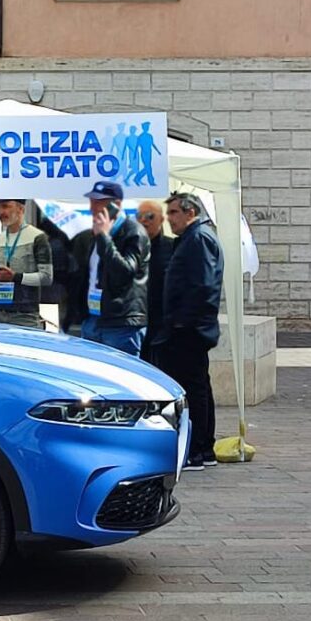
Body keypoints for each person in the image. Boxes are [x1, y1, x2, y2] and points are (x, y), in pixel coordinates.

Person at [160, 192, 224, 471]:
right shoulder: (191, 239)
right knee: (197, 387)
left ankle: (198, 450)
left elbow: (204, 287)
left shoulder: (199, 239)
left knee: (194, 389)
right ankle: (203, 448)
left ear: (190, 212)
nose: (169, 219)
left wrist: (183, 323)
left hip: (191, 330)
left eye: (173, 213)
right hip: (188, 327)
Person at [77, 181, 149, 355]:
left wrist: (104, 237)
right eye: (92, 201)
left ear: (116, 205)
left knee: (121, 376)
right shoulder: (97, 233)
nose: (93, 207)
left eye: (99, 202)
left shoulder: (133, 231)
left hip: (120, 322)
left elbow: (124, 272)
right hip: (94, 318)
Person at [0, 199, 53, 330]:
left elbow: (46, 277)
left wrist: (15, 277)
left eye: (6, 207)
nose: (1, 212)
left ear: (21, 209)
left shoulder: (37, 237)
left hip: (25, 315)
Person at [136, 199, 174, 363]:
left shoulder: (172, 248)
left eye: (150, 216)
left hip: (162, 324)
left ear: (161, 220)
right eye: (140, 216)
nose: (144, 220)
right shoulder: (131, 247)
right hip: (136, 322)